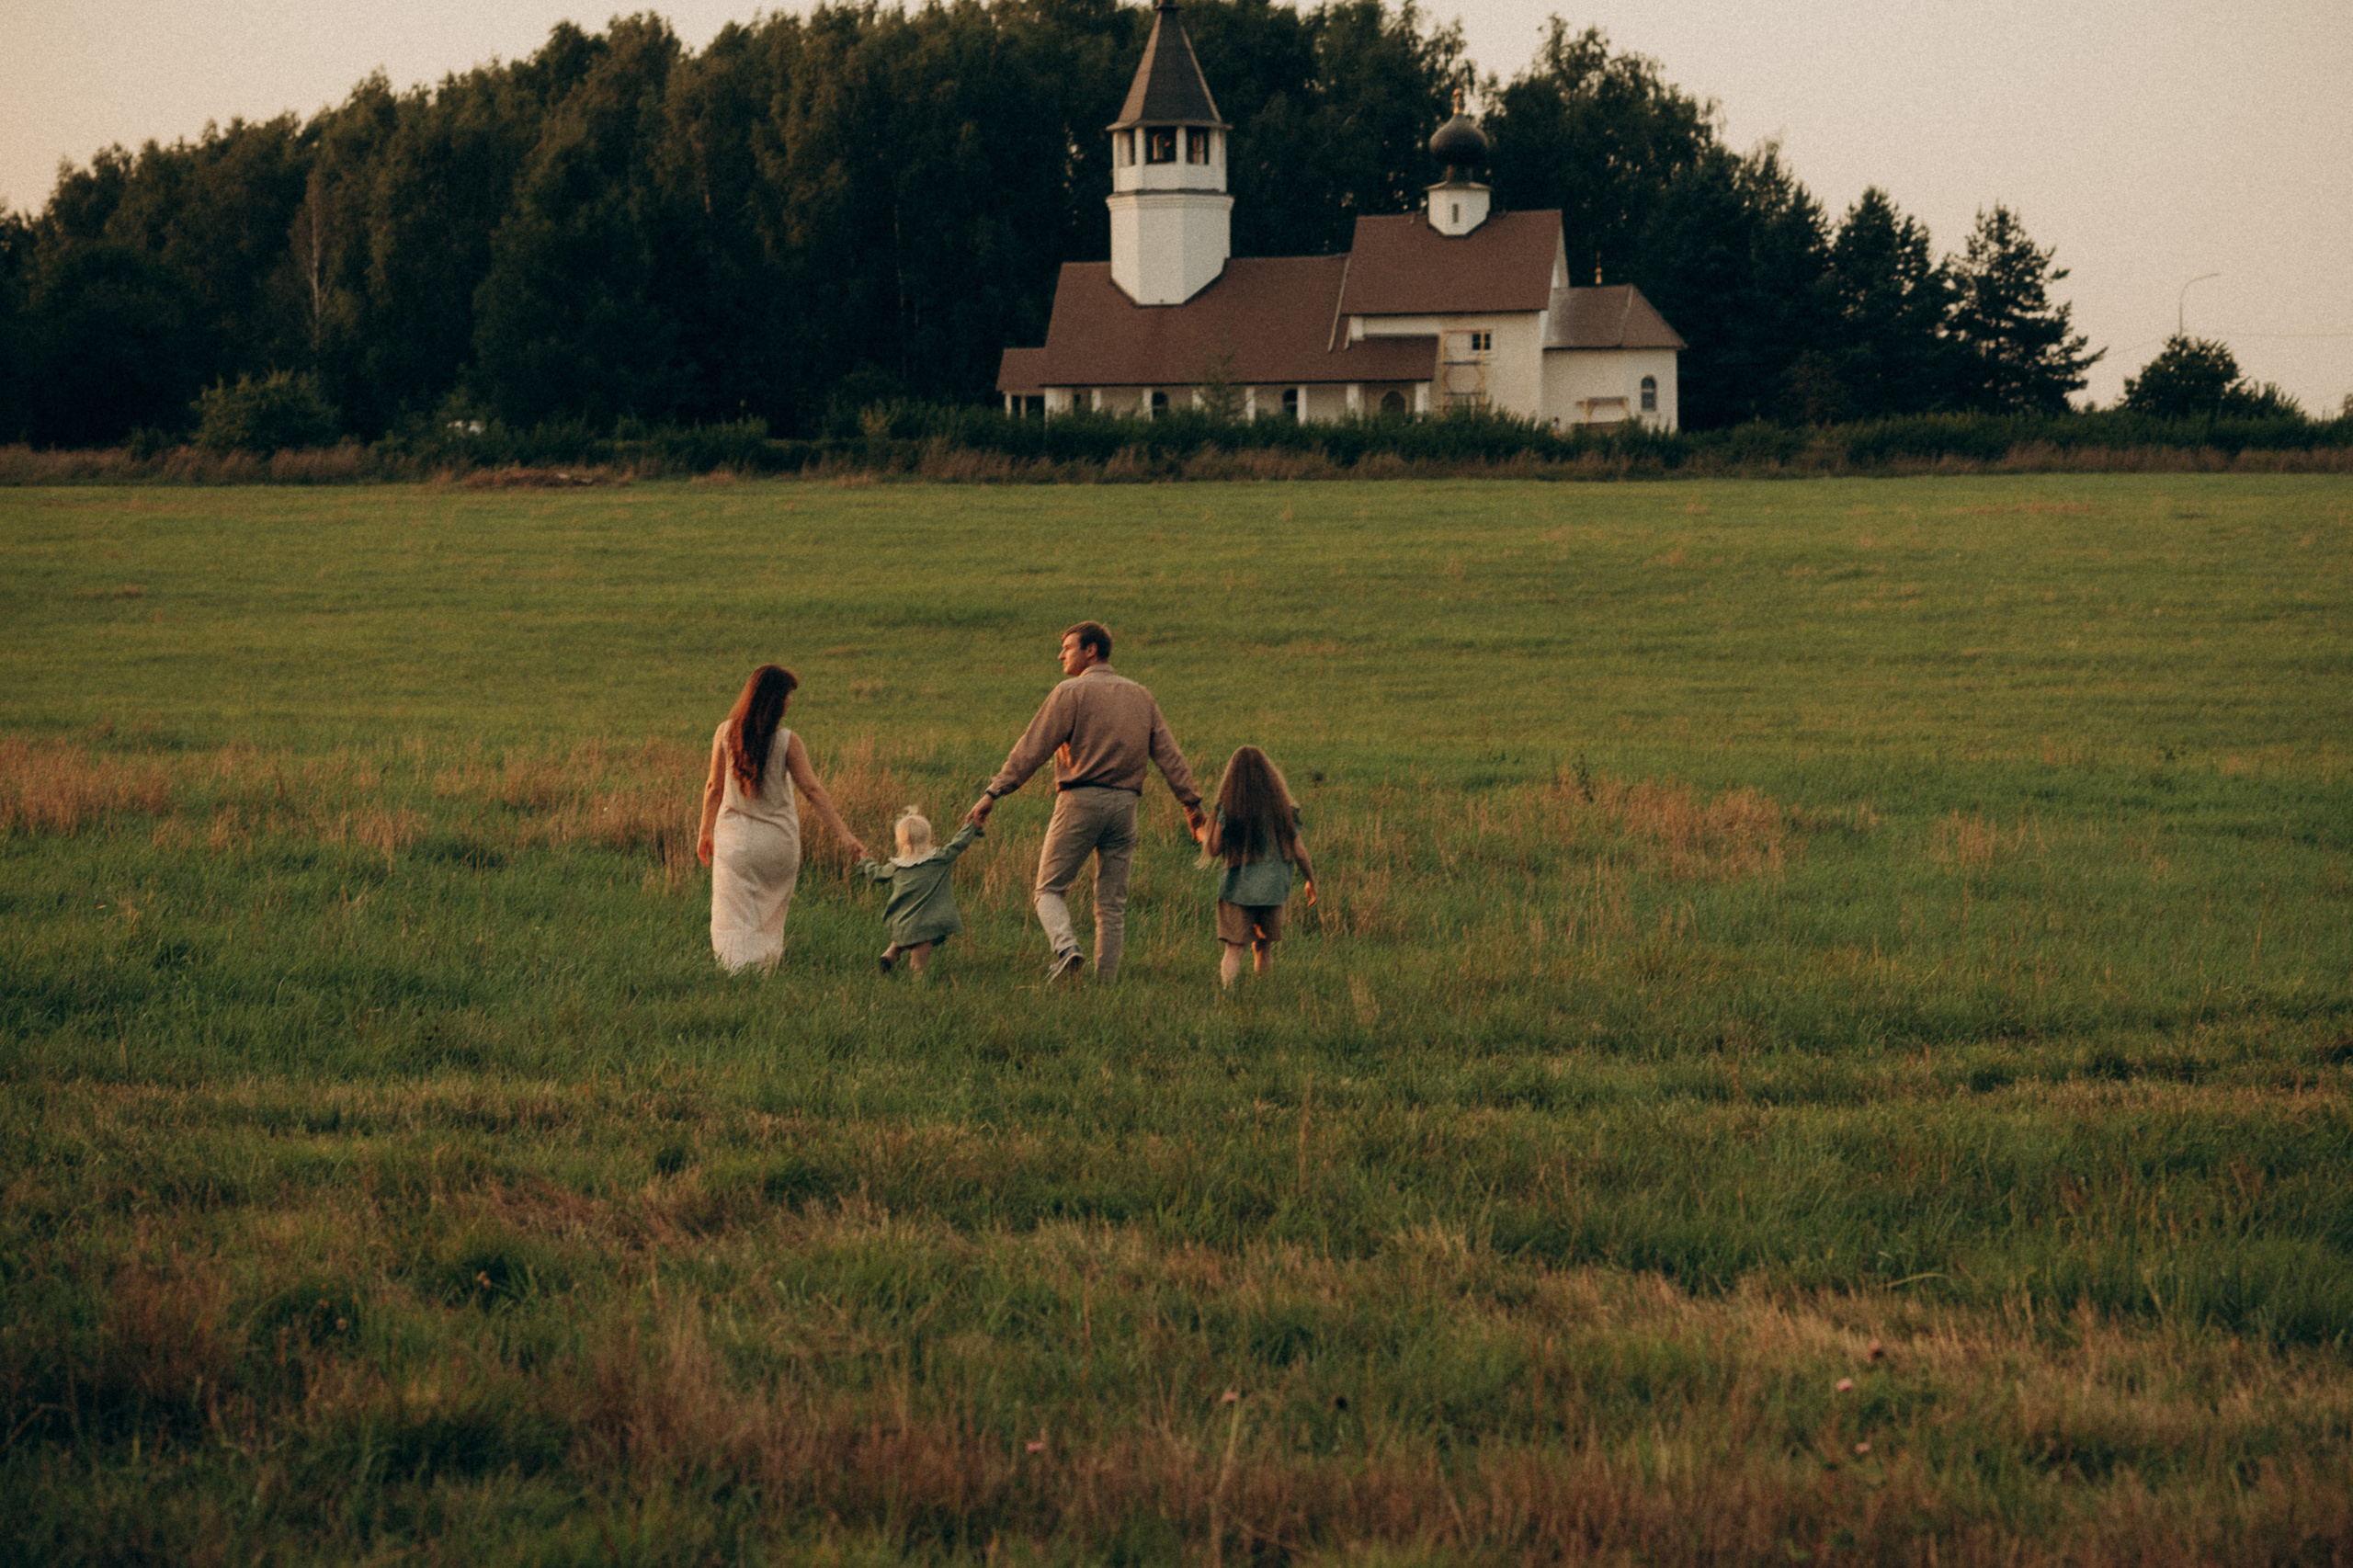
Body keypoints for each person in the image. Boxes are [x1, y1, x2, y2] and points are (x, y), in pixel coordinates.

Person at [967, 620, 1203, 982]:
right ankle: (1104, 984)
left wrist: (994, 792)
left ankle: (1066, 950)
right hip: (1126, 807)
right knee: (1112, 905)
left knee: (1048, 889)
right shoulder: (1142, 696)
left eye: (1068, 647)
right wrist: (1192, 806)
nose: (1061, 654)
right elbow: (1170, 757)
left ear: (1091, 650)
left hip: (1080, 801)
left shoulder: (1070, 692)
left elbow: (1032, 748)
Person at [697, 665, 868, 972]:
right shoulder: (788, 741)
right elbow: (813, 791)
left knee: (733, 914)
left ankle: (734, 970)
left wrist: (703, 831)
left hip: (734, 842)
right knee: (768, 914)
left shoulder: (724, 733)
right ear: (774, 700)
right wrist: (845, 835)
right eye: (788, 696)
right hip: (778, 845)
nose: (790, 702)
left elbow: (713, 788)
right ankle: (762, 970)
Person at [1197, 744, 1317, 987]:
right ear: (1269, 775)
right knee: (1263, 946)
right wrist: (1311, 881)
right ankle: (1262, 991)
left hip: (1238, 889)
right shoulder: (1284, 810)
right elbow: (1300, 853)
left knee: (1235, 948)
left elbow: (1214, 849)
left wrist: (1202, 833)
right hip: (1273, 889)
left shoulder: (1227, 809)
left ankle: (1227, 993)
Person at [858, 807, 984, 978]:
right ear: (928, 838)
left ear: (899, 842)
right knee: (918, 964)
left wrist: (865, 862)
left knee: (902, 939)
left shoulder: (896, 867)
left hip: (903, 923)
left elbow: (877, 874)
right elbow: (958, 843)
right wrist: (972, 826)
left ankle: (889, 955)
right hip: (926, 926)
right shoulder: (940, 858)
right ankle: (917, 984)